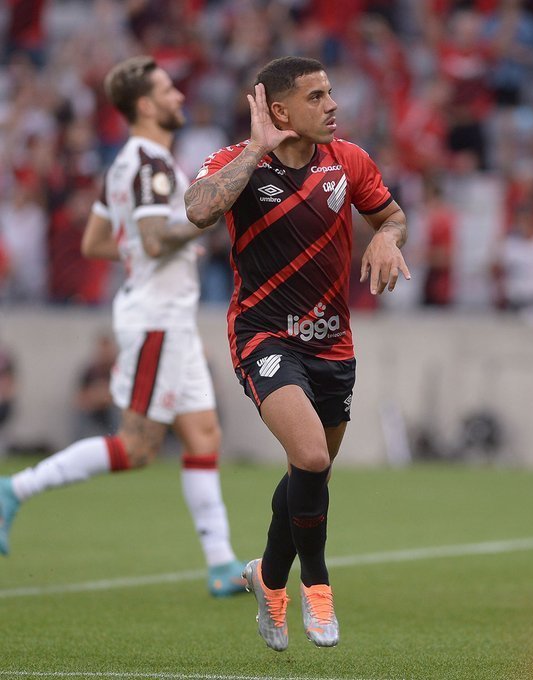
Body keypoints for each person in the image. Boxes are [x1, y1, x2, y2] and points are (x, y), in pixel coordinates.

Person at [184, 56, 410, 651]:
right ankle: (317, 585)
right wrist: (255, 149)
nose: (332, 104)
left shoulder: (349, 161)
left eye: (331, 92)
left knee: (309, 473)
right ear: (280, 111)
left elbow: (392, 215)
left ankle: (266, 577)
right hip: (263, 335)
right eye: (316, 96)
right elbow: (200, 209)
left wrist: (386, 237)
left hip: (332, 343)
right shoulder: (237, 163)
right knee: (310, 456)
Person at [0, 56, 247, 598]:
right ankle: (15, 488)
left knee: (204, 434)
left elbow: (95, 242)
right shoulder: (151, 166)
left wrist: (146, 245)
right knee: (135, 448)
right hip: (156, 319)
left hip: (169, 317)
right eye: (167, 90)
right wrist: (197, 229)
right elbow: (157, 239)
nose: (179, 96)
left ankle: (221, 563)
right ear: (144, 105)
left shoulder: (127, 162)